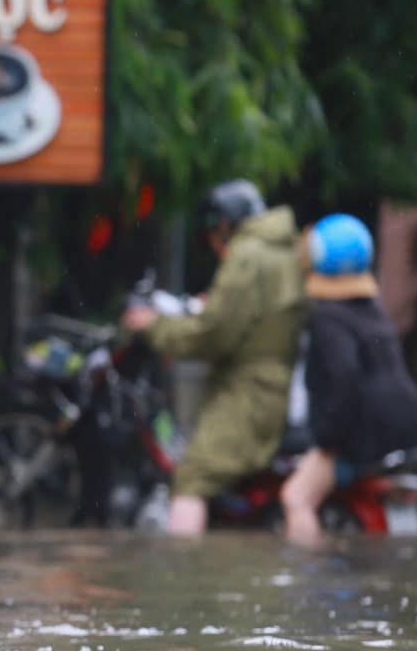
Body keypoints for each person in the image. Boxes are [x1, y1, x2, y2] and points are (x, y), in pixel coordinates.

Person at [120, 179, 305, 535]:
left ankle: (185, 579)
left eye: (213, 232)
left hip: (247, 393)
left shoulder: (248, 254)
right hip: (272, 390)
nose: (213, 244)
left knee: (193, 477)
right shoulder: (281, 250)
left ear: (225, 224)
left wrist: (155, 327)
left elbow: (214, 335)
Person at [280, 214, 417, 546]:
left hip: (362, 436)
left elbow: (342, 380)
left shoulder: (326, 318)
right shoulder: (372, 310)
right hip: (408, 429)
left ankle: (306, 576)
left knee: (295, 498)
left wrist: (326, 439)